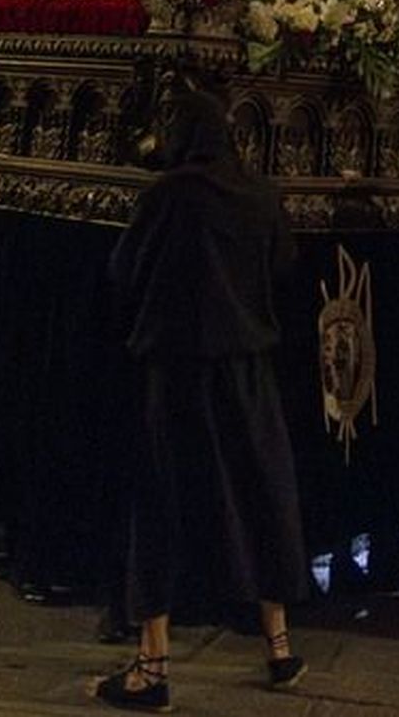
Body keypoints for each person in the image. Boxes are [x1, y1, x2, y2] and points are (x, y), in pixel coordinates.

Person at [96, 86, 307, 708]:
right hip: (248, 372)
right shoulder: (261, 194)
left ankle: (153, 666)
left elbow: (124, 269)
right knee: (261, 499)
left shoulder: (169, 195)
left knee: (161, 505)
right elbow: (285, 268)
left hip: (179, 374)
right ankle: (279, 648)